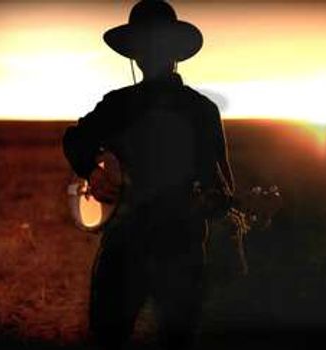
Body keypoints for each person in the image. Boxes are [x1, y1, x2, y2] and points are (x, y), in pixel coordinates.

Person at [63, 1, 235, 349]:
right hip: (168, 247)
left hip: (148, 247)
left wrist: (91, 167)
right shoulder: (199, 110)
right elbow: (221, 188)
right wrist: (94, 169)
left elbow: (74, 140)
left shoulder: (120, 104)